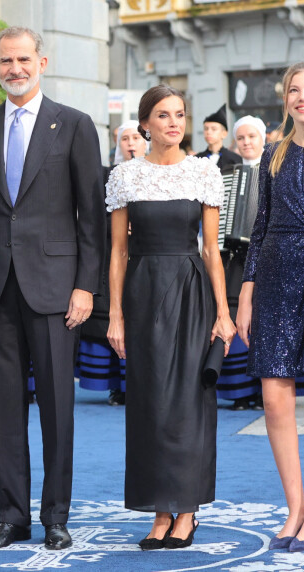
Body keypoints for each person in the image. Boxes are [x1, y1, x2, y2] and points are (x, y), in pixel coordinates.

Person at [0, 26, 105, 551]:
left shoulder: (76, 125)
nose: (14, 68)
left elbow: (92, 218)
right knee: (3, 408)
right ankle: (12, 517)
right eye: (5, 61)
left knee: (58, 409)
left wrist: (87, 287)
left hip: (58, 291)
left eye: (23, 59)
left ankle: (55, 517)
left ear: (42, 62)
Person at [107, 85, 236, 550]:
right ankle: (159, 511)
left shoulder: (203, 173)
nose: (173, 123)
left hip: (190, 292)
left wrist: (224, 312)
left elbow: (212, 251)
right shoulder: (125, 177)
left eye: (179, 115)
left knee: (186, 405)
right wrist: (116, 316)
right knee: (148, 404)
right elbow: (118, 253)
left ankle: (187, 510)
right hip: (142, 294)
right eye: (163, 115)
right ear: (146, 123)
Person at [237, 62, 304, 552]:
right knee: (274, 394)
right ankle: (295, 508)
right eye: (294, 90)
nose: (301, 97)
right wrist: (246, 292)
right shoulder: (273, 155)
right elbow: (259, 229)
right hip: (279, 276)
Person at [76, 120, 147, 405]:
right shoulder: (107, 176)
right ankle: (116, 386)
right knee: (111, 319)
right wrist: (117, 226)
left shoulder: (157, 172)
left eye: (136, 137)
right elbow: (94, 216)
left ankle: (142, 385)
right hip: (113, 258)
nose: (130, 143)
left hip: (146, 258)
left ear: (146, 142)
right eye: (125, 138)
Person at [216, 116, 267, 410]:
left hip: (267, 258)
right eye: (242, 138)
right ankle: (240, 390)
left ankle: (264, 390)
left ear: (262, 139)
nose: (247, 142)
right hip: (236, 259)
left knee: (264, 320)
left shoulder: (275, 170)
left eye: (252, 137)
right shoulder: (227, 173)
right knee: (236, 317)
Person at [196, 104, 242, 173]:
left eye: (214, 129)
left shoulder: (235, 159)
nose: (208, 132)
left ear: (224, 134)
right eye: (206, 129)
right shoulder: (197, 159)